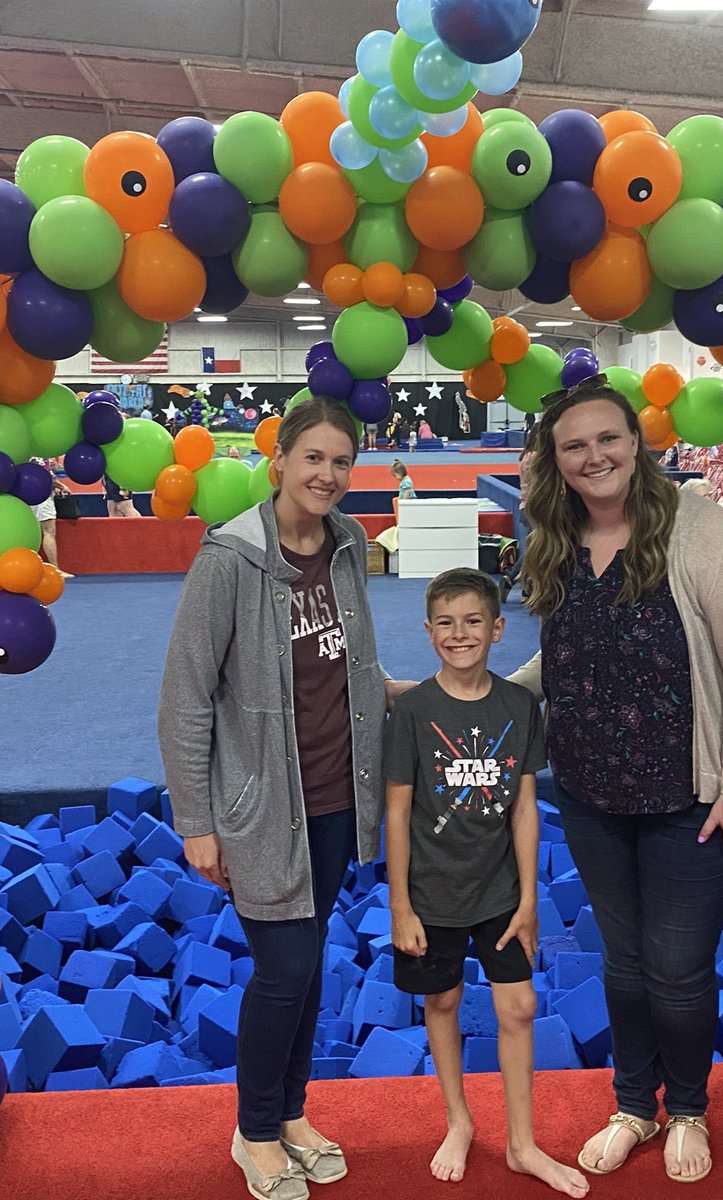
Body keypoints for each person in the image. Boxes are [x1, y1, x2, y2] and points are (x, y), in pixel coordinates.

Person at [509, 376, 723, 1185]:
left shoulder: (700, 531)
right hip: (593, 792)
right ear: (556, 462)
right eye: (574, 446)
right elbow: (558, 661)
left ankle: (688, 1108)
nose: (595, 456)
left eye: (607, 438)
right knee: (622, 964)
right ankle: (634, 1104)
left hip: (692, 798)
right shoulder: (554, 538)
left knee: (677, 966)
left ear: (636, 442)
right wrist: (467, 695)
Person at [159, 397, 408, 1200]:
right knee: (286, 966)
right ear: (279, 462)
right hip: (264, 806)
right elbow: (186, 699)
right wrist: (196, 822)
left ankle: (291, 1114)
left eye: (342, 462)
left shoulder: (347, 545)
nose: (328, 476)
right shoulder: (229, 560)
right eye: (314, 459)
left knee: (304, 970)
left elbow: (352, 667)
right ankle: (255, 1131)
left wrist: (433, 692)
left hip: (340, 798)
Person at [385, 568, 589, 1198]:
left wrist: (530, 898)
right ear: (428, 631)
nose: (459, 634)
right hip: (432, 895)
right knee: (441, 1001)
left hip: (500, 892)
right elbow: (396, 812)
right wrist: (400, 905)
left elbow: (526, 807)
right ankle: (459, 1119)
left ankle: (522, 1142)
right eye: (445, 623)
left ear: (498, 629)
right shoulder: (414, 711)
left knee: (519, 1007)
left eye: (473, 621)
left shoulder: (519, 707)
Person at [500, 430, 536, 603]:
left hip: (526, 506)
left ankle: (527, 590)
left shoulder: (526, 456)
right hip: (536, 508)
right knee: (537, 548)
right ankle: (511, 577)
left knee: (535, 548)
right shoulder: (538, 457)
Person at [29, 459, 74, 578]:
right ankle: (55, 569)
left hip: (27, 496)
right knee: (49, 531)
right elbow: (47, 476)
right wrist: (62, 486)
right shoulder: (39, 456)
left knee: (31, 532)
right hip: (42, 496)